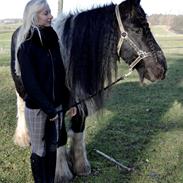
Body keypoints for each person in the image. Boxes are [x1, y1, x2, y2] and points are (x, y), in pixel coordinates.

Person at [14, 0, 76, 182]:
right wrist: (49, 109)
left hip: (55, 108)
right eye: (46, 13)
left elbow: (61, 74)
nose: (51, 16)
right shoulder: (26, 47)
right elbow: (31, 85)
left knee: (52, 147)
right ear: (34, 17)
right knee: (39, 149)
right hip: (38, 109)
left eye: (50, 12)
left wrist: (68, 101)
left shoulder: (53, 41)